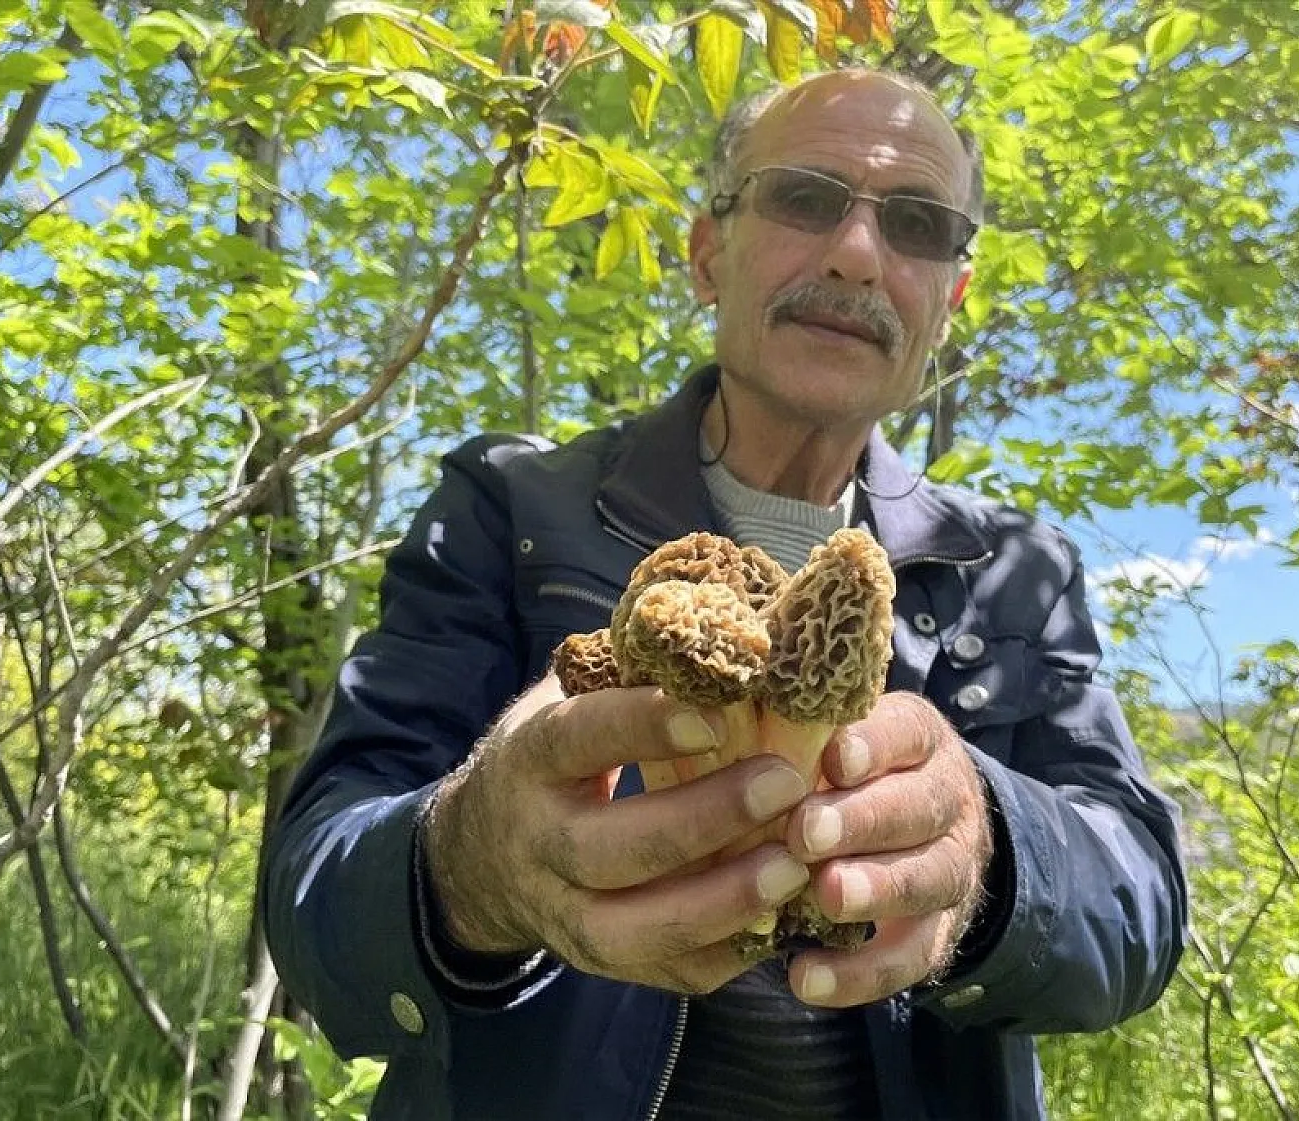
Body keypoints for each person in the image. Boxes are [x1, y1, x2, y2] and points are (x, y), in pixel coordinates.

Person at [261, 68, 1188, 1121]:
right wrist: (474, 861)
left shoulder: (1012, 570)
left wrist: (990, 856)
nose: (855, 253)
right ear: (708, 255)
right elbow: (314, 893)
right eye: (804, 197)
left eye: (918, 225)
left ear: (948, 302)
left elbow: (1139, 906)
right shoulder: (508, 507)